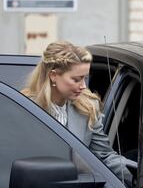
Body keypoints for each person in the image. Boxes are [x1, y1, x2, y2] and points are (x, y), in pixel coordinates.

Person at [22, 41, 134, 179]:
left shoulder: (88, 107)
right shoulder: (25, 108)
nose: (83, 86)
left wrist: (139, 175)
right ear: (53, 75)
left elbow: (105, 157)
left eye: (85, 78)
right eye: (76, 79)